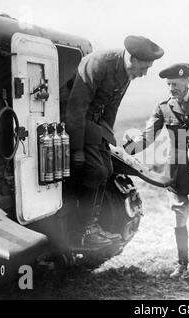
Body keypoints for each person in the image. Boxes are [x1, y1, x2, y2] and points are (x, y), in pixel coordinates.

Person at [124, 63, 189, 279]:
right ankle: (182, 265)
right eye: (169, 84)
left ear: (187, 81)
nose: (171, 88)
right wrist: (129, 148)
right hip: (176, 169)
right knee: (179, 216)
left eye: (176, 84)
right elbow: (148, 136)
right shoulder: (163, 107)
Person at [65, 35, 164, 249]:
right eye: (144, 67)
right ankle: (81, 230)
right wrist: (76, 149)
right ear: (132, 58)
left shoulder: (126, 73)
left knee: (108, 168)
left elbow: (111, 110)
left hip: (94, 127)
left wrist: (108, 141)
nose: (145, 73)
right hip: (77, 124)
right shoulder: (100, 63)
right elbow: (76, 108)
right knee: (95, 171)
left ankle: (92, 226)